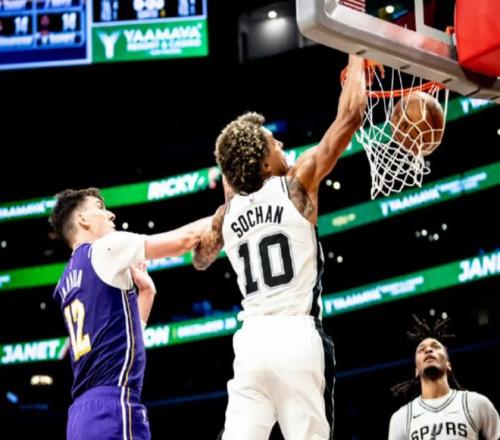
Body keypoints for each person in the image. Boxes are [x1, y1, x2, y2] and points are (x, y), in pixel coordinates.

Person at [192, 55, 367, 440]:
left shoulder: (225, 214)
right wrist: (358, 55)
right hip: (296, 337)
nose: (282, 144)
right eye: (274, 142)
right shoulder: (296, 185)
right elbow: (350, 117)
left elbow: (200, 259)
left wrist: (228, 200)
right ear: (264, 165)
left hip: (250, 345)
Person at [49, 187, 209, 440]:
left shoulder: (64, 282)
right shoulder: (104, 248)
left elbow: (123, 338)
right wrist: (229, 214)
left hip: (80, 418)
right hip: (113, 407)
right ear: (82, 219)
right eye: (100, 208)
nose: (111, 214)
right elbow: (184, 240)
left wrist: (147, 293)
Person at [388, 315, 500, 440]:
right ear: (416, 371)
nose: (428, 350)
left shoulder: (476, 403)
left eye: (436, 347)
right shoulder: (400, 418)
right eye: (421, 349)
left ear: (448, 365)